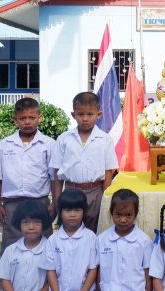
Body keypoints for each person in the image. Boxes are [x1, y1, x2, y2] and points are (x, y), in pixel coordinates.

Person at [90, 190, 152, 291]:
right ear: (111, 213)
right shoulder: (102, 240)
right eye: (118, 215)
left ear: (135, 214)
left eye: (128, 215)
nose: (123, 219)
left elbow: (147, 275)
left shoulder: (143, 241)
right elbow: (99, 271)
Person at [51, 91, 119, 232]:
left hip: (95, 193)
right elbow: (57, 173)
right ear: (73, 115)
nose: (85, 119)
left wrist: (105, 200)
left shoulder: (105, 140)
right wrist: (57, 201)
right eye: (80, 114)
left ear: (99, 114)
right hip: (70, 192)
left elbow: (108, 173)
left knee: (94, 232)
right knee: (70, 232)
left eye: (90, 114)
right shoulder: (64, 139)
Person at [0, 97, 54, 250]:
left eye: (32, 118)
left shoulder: (48, 144)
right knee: (11, 245)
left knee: (43, 245)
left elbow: (54, 178)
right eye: (22, 118)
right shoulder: (5, 144)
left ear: (40, 118)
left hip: (39, 203)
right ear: (15, 119)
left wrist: (55, 203)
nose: (27, 122)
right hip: (12, 204)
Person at [43, 189, 99, 291]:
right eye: (68, 210)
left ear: (84, 212)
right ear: (60, 212)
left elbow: (93, 270)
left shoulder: (91, 238)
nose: (72, 215)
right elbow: (51, 272)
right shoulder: (53, 240)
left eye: (77, 210)